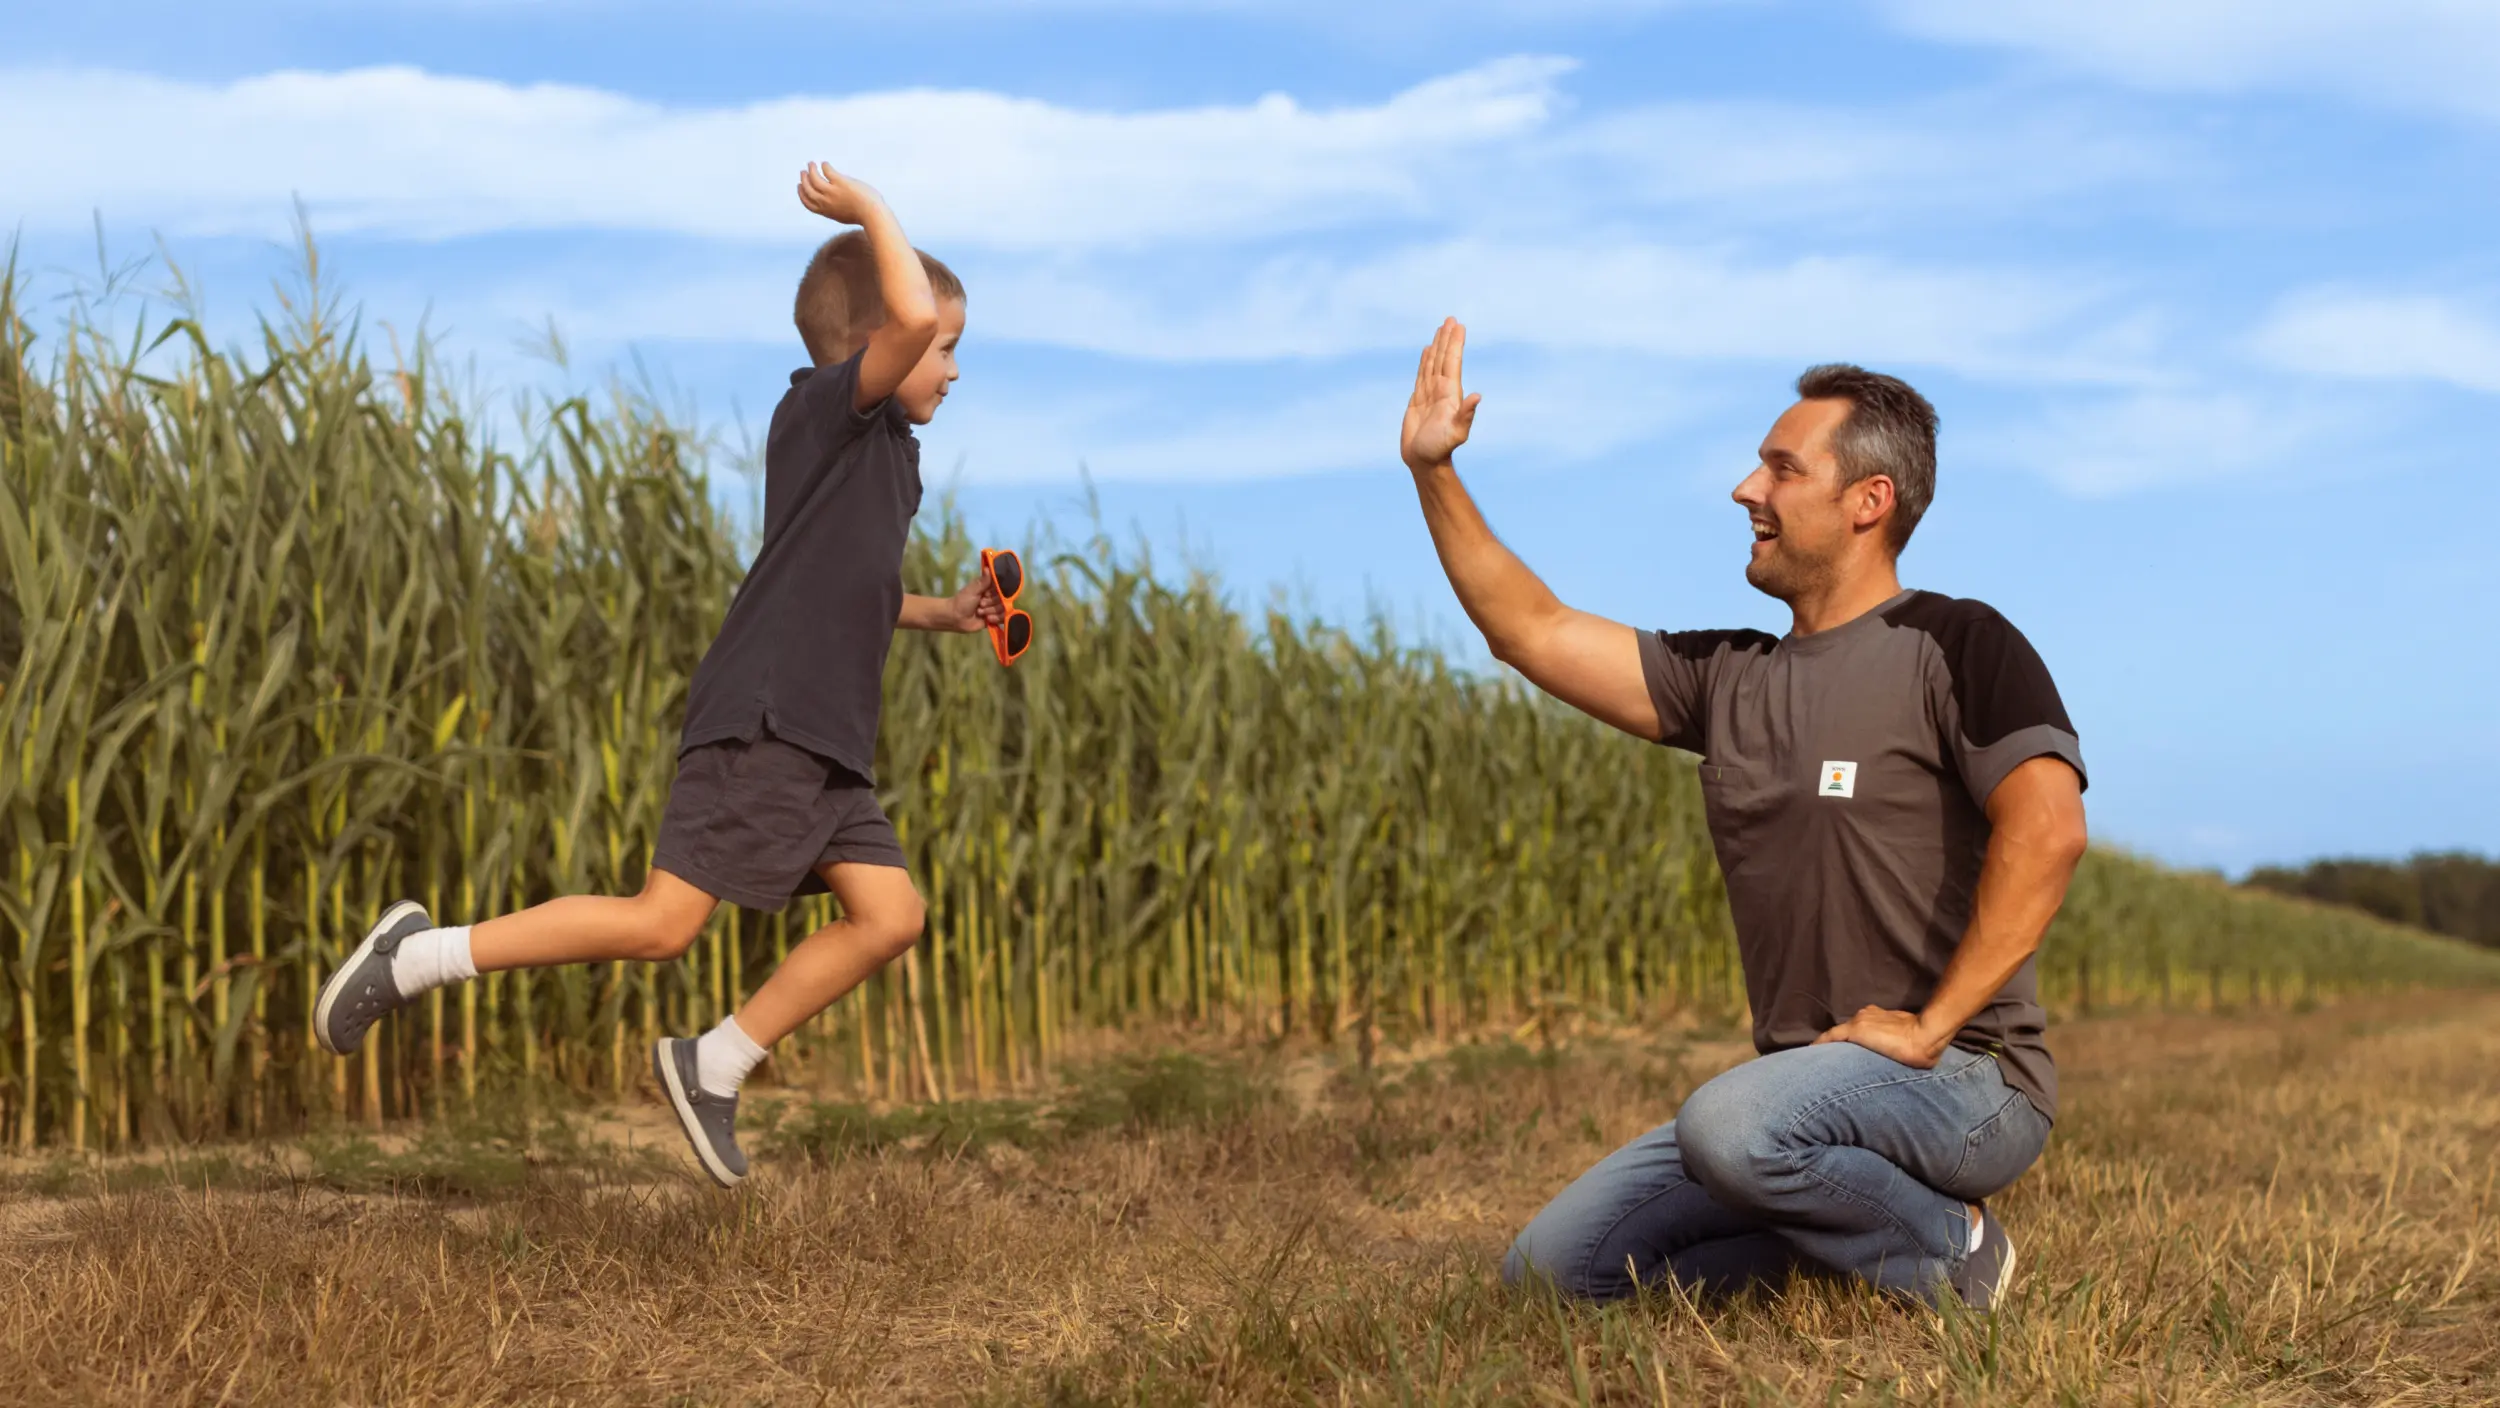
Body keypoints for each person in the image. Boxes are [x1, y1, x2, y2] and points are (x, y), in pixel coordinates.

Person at [313, 163, 998, 1188]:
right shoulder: (825, 410)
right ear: (873, 347)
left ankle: (710, 1062)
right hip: (767, 721)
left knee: (891, 913)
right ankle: (414, 957)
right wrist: (868, 211)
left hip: (825, 747)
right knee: (662, 923)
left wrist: (939, 612)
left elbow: (847, 584)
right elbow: (901, 307)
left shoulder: (888, 451)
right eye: (943, 346)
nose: (951, 367)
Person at [1396, 319, 2089, 1311]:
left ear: (1868, 502)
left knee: (1725, 1127)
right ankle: (1836, 1253)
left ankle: (1952, 1251)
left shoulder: (1958, 643)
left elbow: (2049, 829)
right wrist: (1435, 472)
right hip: (1803, 1089)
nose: (1744, 490)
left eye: (1779, 469)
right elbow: (1530, 629)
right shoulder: (1726, 678)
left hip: (1966, 1081)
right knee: (1550, 1274)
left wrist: (1932, 1025)